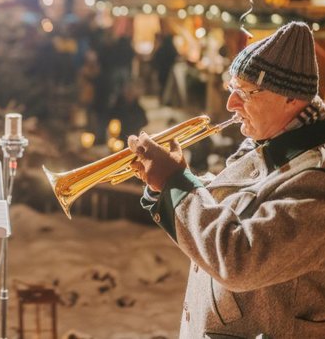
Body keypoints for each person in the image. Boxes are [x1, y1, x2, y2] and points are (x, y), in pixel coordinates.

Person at [127, 21, 325, 338]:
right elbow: (235, 208)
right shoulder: (269, 147)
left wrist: (176, 184)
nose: (231, 104)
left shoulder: (316, 180)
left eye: (245, 93)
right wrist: (167, 187)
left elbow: (240, 259)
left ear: (291, 99)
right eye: (231, 89)